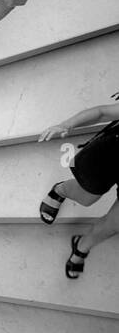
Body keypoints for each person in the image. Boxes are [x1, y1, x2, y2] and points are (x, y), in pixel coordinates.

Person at [37, 98, 119, 279]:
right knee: (87, 197)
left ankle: (82, 246)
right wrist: (66, 125)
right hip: (112, 157)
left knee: (115, 223)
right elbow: (102, 112)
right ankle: (61, 190)